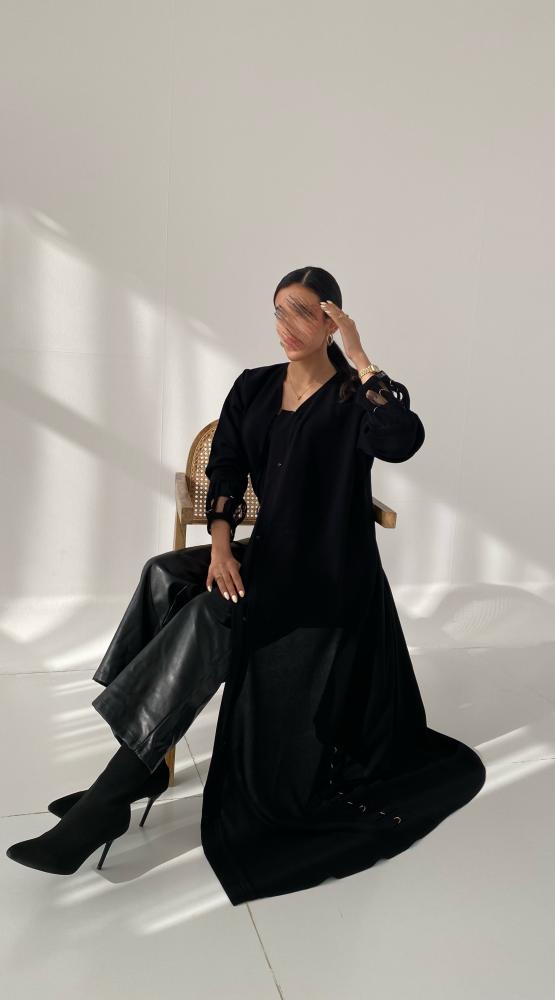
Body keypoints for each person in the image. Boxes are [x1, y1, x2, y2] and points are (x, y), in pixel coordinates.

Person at [7, 266, 486, 904]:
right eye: (279, 312)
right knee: (163, 574)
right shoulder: (254, 386)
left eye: (303, 313)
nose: (286, 326)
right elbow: (227, 467)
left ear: (331, 320)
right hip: (267, 554)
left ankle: (109, 799)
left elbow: (402, 440)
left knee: (212, 615)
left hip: (328, 574)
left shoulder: (354, 397)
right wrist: (221, 547)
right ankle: (147, 763)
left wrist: (362, 357)